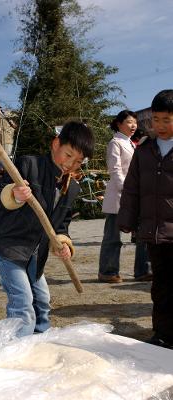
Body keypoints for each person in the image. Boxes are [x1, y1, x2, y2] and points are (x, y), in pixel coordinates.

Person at [0, 121, 94, 337]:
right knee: (22, 302)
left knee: (42, 301)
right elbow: (0, 196)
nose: (70, 164)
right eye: (68, 155)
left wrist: (63, 242)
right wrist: (14, 194)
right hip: (8, 246)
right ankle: (17, 348)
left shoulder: (72, 188)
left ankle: (41, 339)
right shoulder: (28, 165)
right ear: (56, 143)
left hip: (35, 252)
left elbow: (61, 223)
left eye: (78, 161)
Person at [118, 90, 173, 349]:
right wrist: (126, 220)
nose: (160, 126)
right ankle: (161, 334)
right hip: (154, 232)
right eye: (156, 120)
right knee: (160, 286)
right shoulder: (145, 150)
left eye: (167, 120)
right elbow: (132, 187)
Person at [98, 110, 151, 283]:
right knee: (113, 237)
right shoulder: (115, 143)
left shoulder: (133, 144)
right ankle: (108, 271)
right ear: (119, 124)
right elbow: (115, 171)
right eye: (129, 122)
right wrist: (127, 190)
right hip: (118, 196)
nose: (133, 125)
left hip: (136, 195)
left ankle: (142, 270)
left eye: (134, 122)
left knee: (143, 235)